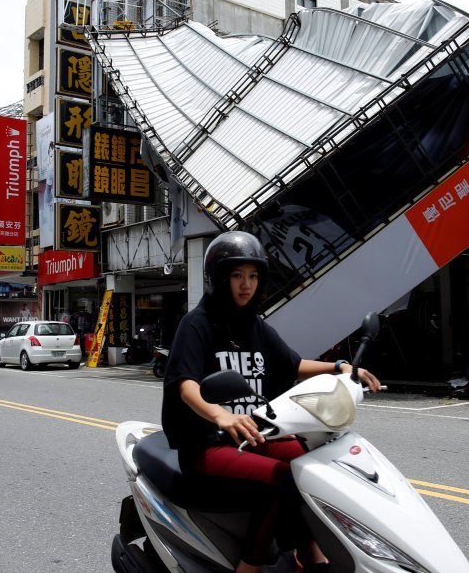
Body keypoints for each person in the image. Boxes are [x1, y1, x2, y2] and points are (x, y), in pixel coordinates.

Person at [162, 231, 381, 573]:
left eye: (252, 276)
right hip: (206, 446)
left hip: (252, 436)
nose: (245, 285)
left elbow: (292, 364)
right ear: (220, 278)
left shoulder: (254, 326)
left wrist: (341, 367)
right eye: (236, 275)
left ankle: (307, 550)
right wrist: (220, 415)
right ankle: (250, 564)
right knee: (282, 477)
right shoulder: (197, 324)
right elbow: (185, 385)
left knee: (310, 461)